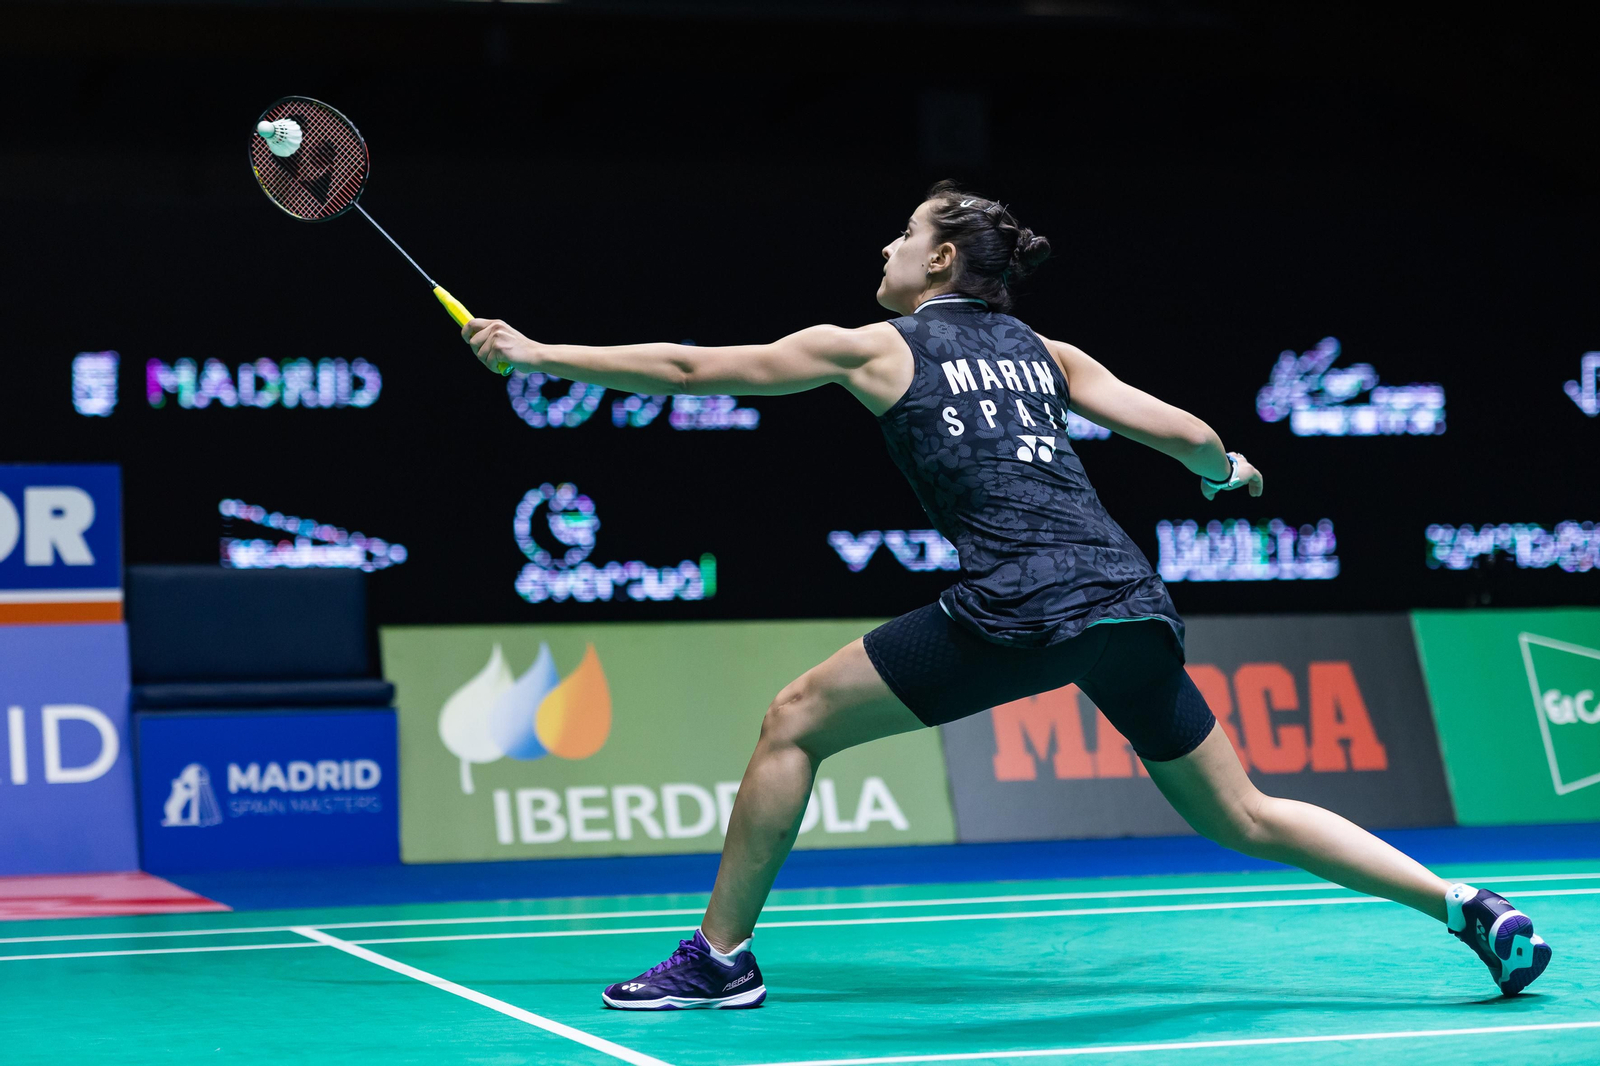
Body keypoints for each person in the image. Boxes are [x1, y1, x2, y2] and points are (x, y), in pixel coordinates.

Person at [463, 181, 1551, 1010]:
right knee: (1245, 810)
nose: (882, 249)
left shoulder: (872, 347)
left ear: (938, 258)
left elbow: (700, 370)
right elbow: (1181, 434)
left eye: (900, 234)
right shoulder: (1045, 351)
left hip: (1024, 602)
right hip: (1127, 597)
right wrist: (1230, 472)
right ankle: (1468, 908)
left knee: (793, 720)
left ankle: (721, 959)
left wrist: (536, 353)